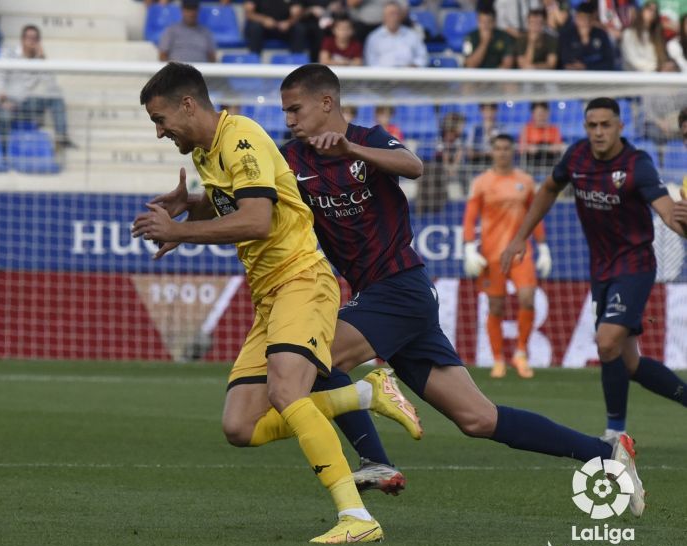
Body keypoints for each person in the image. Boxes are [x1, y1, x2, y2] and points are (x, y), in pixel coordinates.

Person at [277, 64, 648, 518]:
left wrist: (350, 149)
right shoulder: (290, 159)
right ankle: (607, 453)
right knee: (479, 419)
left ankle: (374, 459)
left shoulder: (366, 139)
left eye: (295, 110)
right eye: (285, 112)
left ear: (326, 102)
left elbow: (413, 166)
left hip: (399, 287)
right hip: (385, 298)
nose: (289, 120)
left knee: (317, 358)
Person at [134, 62, 419, 543]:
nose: (160, 132)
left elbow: (257, 220)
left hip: (302, 280)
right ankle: (366, 394)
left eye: (160, 120)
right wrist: (193, 206)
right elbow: (242, 200)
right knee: (240, 426)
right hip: (270, 294)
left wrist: (182, 231)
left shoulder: (240, 138)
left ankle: (357, 519)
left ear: (188, 104)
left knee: (288, 392)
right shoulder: (207, 151)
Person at [502, 97, 687, 449]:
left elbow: (667, 212)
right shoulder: (577, 157)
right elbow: (549, 188)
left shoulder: (637, 164)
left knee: (606, 341)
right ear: (585, 127)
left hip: (634, 265)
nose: (599, 132)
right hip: (601, 268)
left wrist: (683, 223)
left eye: (606, 125)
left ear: (620, 127)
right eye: (592, 125)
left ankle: (615, 433)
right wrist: (521, 236)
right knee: (629, 362)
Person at [462, 134, 552, 379]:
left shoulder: (525, 181)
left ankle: (521, 353)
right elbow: (469, 218)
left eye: (506, 148)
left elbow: (535, 214)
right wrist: (469, 247)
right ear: (492, 152)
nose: (502, 152)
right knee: (496, 306)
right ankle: (498, 359)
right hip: (492, 254)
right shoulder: (481, 182)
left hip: (521, 253)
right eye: (498, 148)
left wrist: (543, 247)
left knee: (528, 299)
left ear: (513, 151)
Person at [0, 25, 74, 153]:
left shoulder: (39, 60)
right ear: (22, 39)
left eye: (35, 38)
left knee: (56, 98)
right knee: (4, 115)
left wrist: (42, 60)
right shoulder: (9, 53)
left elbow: (52, 86)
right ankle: (3, 153)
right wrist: (3, 99)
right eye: (29, 37)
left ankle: (61, 137)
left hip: (28, 103)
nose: (31, 41)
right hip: (8, 100)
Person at [362, 1, 427, 68]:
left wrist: (415, 66)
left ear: (401, 16)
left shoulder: (412, 35)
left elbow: (422, 57)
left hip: (408, 73)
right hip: (383, 73)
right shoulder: (374, 37)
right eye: (390, 14)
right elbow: (370, 61)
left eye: (395, 14)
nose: (393, 17)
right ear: (383, 17)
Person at [558, 3, 617, 71]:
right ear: (576, 17)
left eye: (589, 18)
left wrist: (586, 67)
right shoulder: (566, 35)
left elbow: (609, 62)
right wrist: (583, 39)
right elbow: (565, 62)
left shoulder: (601, 34)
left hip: (596, 74)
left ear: (593, 19)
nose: (585, 22)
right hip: (571, 75)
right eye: (582, 18)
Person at [619, 0, 667, 72]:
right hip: (635, 75)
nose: (652, 13)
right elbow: (632, 60)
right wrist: (656, 67)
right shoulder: (629, 34)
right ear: (641, 10)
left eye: (655, 11)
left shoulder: (657, 35)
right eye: (649, 9)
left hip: (656, 75)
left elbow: (660, 57)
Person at [518, 100, 564, 168]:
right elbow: (520, 149)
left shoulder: (554, 129)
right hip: (531, 163)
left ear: (548, 113)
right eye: (538, 114)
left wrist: (553, 148)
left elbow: (559, 146)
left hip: (550, 163)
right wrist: (529, 148)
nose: (541, 117)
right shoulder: (526, 129)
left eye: (543, 114)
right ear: (533, 114)